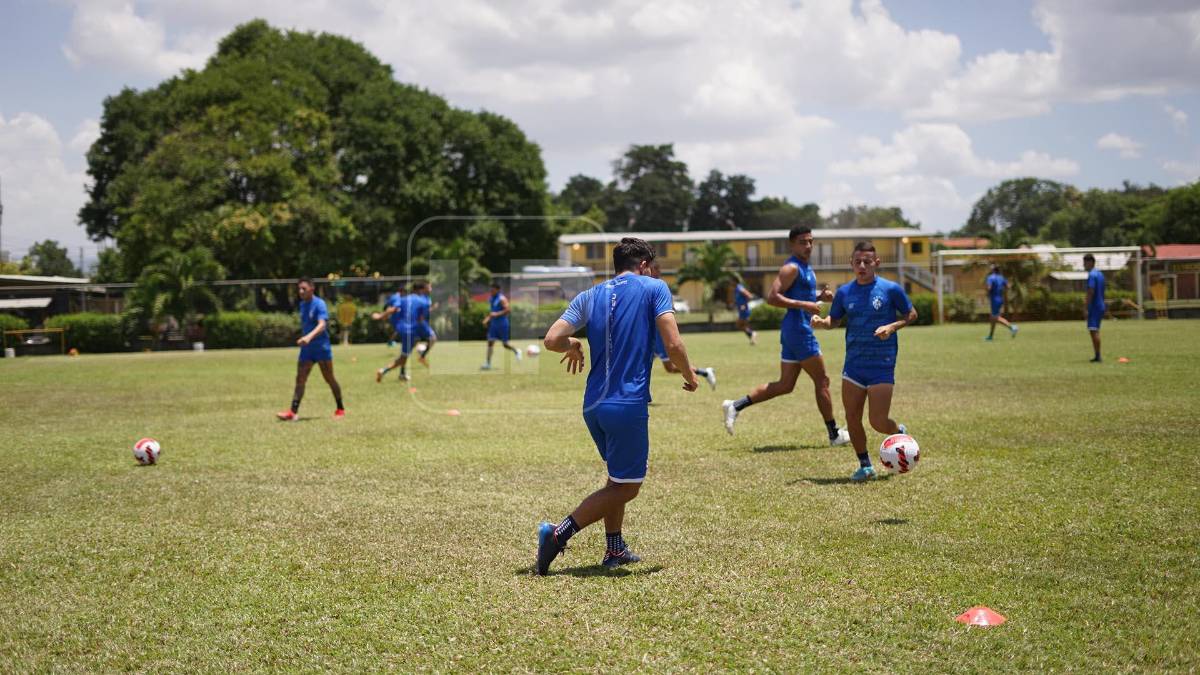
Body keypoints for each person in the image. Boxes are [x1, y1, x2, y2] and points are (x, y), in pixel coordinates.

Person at [536, 238, 698, 575]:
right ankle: (557, 534)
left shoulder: (589, 295)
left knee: (615, 479)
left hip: (593, 406)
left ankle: (614, 550)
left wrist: (574, 343)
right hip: (627, 403)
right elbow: (673, 342)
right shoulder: (654, 288)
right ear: (642, 265)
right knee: (628, 487)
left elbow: (552, 340)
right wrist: (689, 374)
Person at [721, 225, 850, 447]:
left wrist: (820, 296)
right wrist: (805, 304)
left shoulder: (806, 268)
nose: (808, 246)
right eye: (803, 242)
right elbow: (772, 297)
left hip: (794, 330)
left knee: (785, 385)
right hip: (799, 330)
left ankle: (735, 405)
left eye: (810, 241)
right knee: (822, 381)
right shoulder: (791, 268)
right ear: (792, 244)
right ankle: (834, 434)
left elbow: (801, 296)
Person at [811, 241, 917, 481]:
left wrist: (892, 326)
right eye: (857, 261)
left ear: (876, 263)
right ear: (851, 263)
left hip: (882, 363)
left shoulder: (891, 289)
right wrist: (821, 323)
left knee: (878, 421)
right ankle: (865, 465)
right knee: (852, 418)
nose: (862, 266)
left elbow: (911, 314)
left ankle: (898, 432)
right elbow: (834, 321)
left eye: (867, 262)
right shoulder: (845, 293)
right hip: (854, 366)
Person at [277, 278, 345, 421]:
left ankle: (340, 408)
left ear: (312, 289)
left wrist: (308, 337)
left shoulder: (319, 304)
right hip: (307, 350)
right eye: (299, 289)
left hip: (321, 348)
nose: (301, 292)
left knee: (329, 379)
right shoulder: (302, 305)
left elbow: (322, 325)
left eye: (304, 289)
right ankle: (293, 412)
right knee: (300, 379)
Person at [649, 260, 717, 390]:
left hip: (659, 335)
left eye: (654, 268)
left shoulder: (659, 286)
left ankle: (705, 372)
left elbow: (668, 311)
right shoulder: (650, 285)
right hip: (650, 334)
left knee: (669, 367)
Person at [373, 282, 416, 382]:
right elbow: (393, 308)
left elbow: (387, 307)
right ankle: (385, 370)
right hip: (404, 326)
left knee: (406, 352)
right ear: (403, 291)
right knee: (405, 353)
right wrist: (381, 316)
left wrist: (384, 315)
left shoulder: (395, 297)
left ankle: (402, 373)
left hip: (401, 325)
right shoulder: (398, 298)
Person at [481, 281, 521, 370]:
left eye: (493, 289)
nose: (491, 290)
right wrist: (487, 319)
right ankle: (488, 363)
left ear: (498, 290)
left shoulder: (502, 298)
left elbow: (508, 309)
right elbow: (492, 312)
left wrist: (496, 314)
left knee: (505, 344)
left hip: (502, 325)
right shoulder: (491, 298)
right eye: (490, 289)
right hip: (493, 325)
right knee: (490, 342)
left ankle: (516, 351)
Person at [985, 265, 1018, 340]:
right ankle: (990, 336)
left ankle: (1012, 327)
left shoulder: (991, 277)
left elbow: (989, 288)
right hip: (1000, 298)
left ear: (993, 270)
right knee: (992, 318)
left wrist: (988, 292)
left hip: (994, 299)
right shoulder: (1001, 278)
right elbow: (1008, 287)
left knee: (995, 317)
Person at [1084, 253, 1106, 362]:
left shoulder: (1092, 275)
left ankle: (1098, 356)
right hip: (1101, 305)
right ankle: (1097, 355)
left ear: (1091, 262)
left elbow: (1090, 291)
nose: (1084, 265)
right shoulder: (1100, 274)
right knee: (1095, 330)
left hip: (1094, 306)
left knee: (1094, 331)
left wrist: (1086, 307)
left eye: (1085, 262)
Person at [411, 281, 437, 368]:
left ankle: (421, 354)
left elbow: (425, 311)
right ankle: (422, 355)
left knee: (414, 343)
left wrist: (432, 308)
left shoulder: (427, 298)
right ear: (424, 289)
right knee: (432, 338)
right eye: (429, 287)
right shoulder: (421, 298)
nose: (431, 289)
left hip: (421, 322)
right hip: (419, 323)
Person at [734, 281, 757, 345]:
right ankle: (752, 336)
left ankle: (753, 334)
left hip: (744, 310)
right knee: (742, 325)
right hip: (742, 310)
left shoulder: (739, 288)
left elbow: (749, 296)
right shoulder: (736, 289)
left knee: (740, 325)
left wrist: (744, 304)